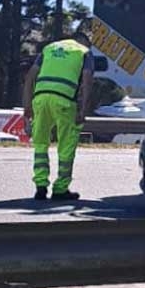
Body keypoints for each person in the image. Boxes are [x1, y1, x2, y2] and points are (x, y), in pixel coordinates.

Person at [23, 32, 94, 201]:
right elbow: (87, 80)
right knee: (66, 145)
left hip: (40, 98)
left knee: (40, 143)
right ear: (84, 42)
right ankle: (60, 188)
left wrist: (27, 109)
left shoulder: (48, 48)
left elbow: (29, 78)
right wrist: (83, 111)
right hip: (64, 100)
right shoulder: (84, 52)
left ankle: (40, 186)